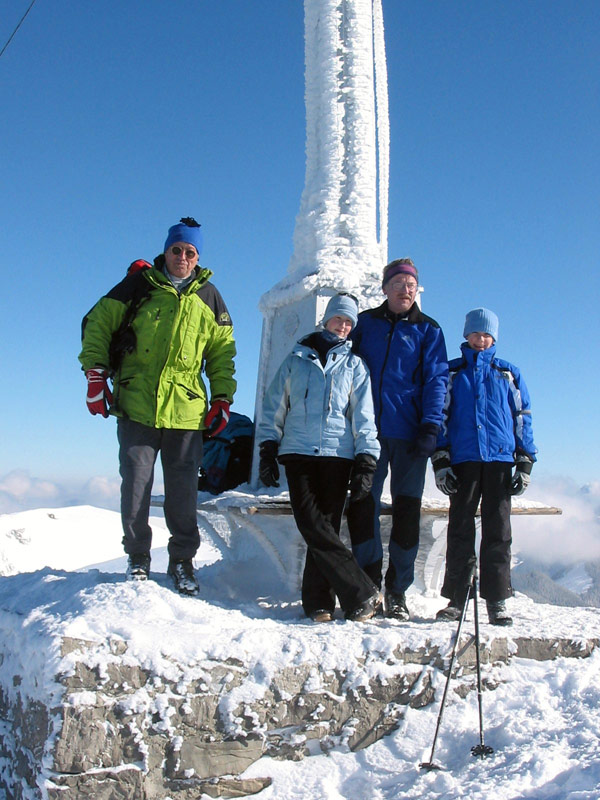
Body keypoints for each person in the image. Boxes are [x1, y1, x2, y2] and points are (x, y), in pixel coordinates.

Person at [79, 217, 236, 596]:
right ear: (166, 251)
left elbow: (222, 352)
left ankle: (182, 562)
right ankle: (137, 557)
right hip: (137, 403)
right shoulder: (139, 285)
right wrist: (96, 376)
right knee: (135, 484)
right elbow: (97, 323)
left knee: (183, 492)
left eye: (190, 252)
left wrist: (222, 398)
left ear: (198, 257)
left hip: (185, 411)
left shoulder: (209, 296)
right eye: (176, 250)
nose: (182, 257)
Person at [258, 293, 383, 622]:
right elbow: (274, 406)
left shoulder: (355, 366)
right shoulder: (296, 359)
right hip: (297, 453)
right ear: (325, 319)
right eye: (338, 318)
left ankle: (319, 603)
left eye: (349, 322)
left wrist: (366, 459)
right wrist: (268, 447)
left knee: (325, 528)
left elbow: (364, 417)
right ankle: (362, 591)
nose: (343, 326)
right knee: (312, 525)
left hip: (337, 455)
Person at [346, 259, 448, 620]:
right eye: (400, 283)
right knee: (363, 507)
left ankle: (397, 591)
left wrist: (430, 426)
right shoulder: (365, 324)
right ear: (385, 288)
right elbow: (346, 368)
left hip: (410, 437)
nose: (406, 290)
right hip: (367, 435)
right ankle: (368, 585)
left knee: (407, 513)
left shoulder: (428, 329)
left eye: (412, 285)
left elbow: (437, 380)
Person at [432, 308, 537, 626]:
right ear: (466, 335)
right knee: (460, 527)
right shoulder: (452, 372)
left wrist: (525, 461)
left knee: (498, 530)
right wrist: (441, 460)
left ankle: (497, 599)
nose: (481, 339)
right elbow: (440, 416)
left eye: (487, 334)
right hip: (463, 460)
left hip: (500, 461)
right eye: (476, 334)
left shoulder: (508, 373)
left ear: (494, 338)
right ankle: (457, 598)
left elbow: (522, 417)